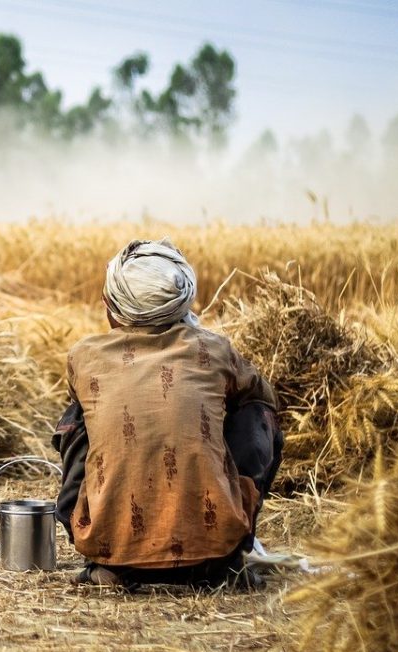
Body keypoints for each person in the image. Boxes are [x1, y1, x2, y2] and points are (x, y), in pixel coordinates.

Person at [53, 238, 283, 589]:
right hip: (213, 560)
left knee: (79, 416)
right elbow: (265, 399)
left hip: (110, 553)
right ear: (183, 303)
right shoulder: (216, 350)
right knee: (256, 411)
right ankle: (229, 547)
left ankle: (106, 549)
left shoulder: (84, 356)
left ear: (109, 306)